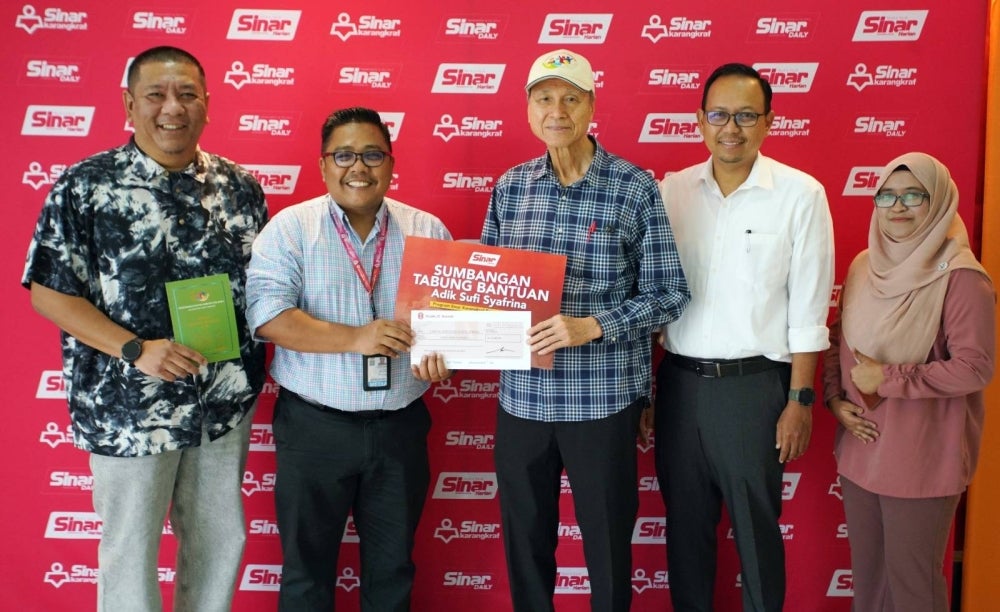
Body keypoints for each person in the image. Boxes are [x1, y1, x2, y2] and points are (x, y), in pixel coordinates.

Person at [21, 46, 267, 611]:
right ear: (130, 105)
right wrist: (136, 349)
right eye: (156, 95)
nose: (171, 108)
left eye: (186, 94)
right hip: (127, 409)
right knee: (130, 552)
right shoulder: (86, 186)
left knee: (217, 544)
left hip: (220, 403)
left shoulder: (241, 187)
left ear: (207, 103)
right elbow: (48, 291)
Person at [481, 49, 690, 612]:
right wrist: (447, 337)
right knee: (525, 550)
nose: (557, 110)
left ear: (591, 106)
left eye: (571, 97)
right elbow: (482, 292)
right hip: (522, 402)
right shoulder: (510, 187)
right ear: (528, 109)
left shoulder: (634, 188)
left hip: (602, 404)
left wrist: (593, 325)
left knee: (608, 553)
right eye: (544, 98)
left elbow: (671, 295)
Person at [245, 106, 452, 611]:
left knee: (392, 573)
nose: (358, 167)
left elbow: (451, 320)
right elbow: (269, 318)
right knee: (306, 575)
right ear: (322, 165)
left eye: (372, 155)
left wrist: (446, 353)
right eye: (344, 155)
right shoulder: (291, 229)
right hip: (315, 429)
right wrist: (355, 338)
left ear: (391, 163)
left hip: (400, 428)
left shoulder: (427, 230)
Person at [653, 62, 835, 612]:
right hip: (679, 387)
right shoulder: (671, 191)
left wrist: (800, 401)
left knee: (757, 532)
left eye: (746, 115)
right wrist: (646, 394)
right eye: (719, 115)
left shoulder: (801, 195)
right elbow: (650, 296)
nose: (731, 128)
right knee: (685, 531)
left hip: (756, 390)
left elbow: (808, 309)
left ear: (769, 121)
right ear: (700, 121)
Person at [823, 152, 995, 612]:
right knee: (870, 583)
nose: (898, 206)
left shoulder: (961, 279)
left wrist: (890, 377)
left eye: (914, 195)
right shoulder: (864, 266)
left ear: (938, 201)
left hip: (922, 460)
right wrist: (836, 399)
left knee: (913, 590)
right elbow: (840, 338)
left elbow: (975, 367)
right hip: (862, 454)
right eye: (887, 195)